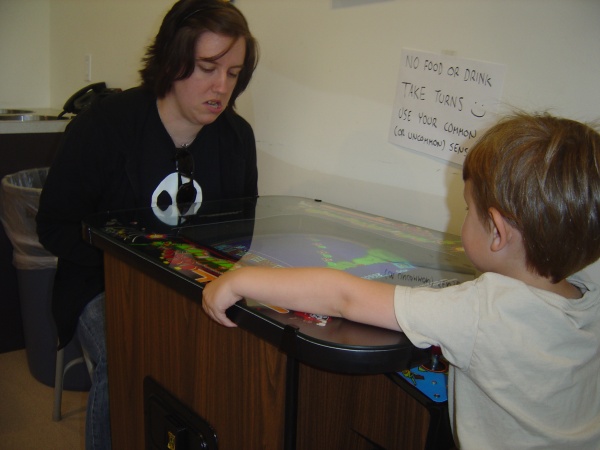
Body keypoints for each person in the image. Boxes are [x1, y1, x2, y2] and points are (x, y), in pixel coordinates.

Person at [202, 112, 600, 449]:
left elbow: (343, 296)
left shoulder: (485, 311)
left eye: (467, 209)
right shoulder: (589, 293)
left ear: (497, 231)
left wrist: (241, 281)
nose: (462, 216)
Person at [36, 1, 259, 448]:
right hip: (100, 283)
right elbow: (55, 226)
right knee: (131, 354)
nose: (221, 87)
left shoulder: (236, 138)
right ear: (172, 62)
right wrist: (138, 266)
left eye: (233, 73)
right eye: (207, 68)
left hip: (192, 284)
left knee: (241, 357)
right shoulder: (103, 125)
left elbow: (239, 236)